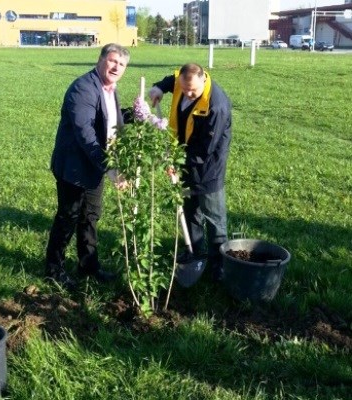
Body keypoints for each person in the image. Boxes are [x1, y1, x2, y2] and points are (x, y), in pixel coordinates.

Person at [45, 43, 130, 289]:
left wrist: (135, 115)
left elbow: (111, 121)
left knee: (90, 216)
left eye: (121, 64)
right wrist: (111, 168)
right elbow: (86, 134)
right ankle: (53, 269)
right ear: (101, 59)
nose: (116, 67)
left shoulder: (110, 89)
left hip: (94, 166)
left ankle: (88, 266)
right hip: (74, 166)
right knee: (68, 217)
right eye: (113, 61)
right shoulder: (83, 89)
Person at [148, 63, 232, 281]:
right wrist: (159, 87)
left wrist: (175, 161)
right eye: (184, 89)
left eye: (192, 90)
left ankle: (218, 263)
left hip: (207, 168)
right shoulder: (182, 82)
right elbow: (171, 80)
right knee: (189, 210)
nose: (187, 93)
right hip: (183, 162)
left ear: (204, 79)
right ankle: (194, 251)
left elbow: (205, 150)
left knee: (214, 218)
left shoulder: (216, 106)